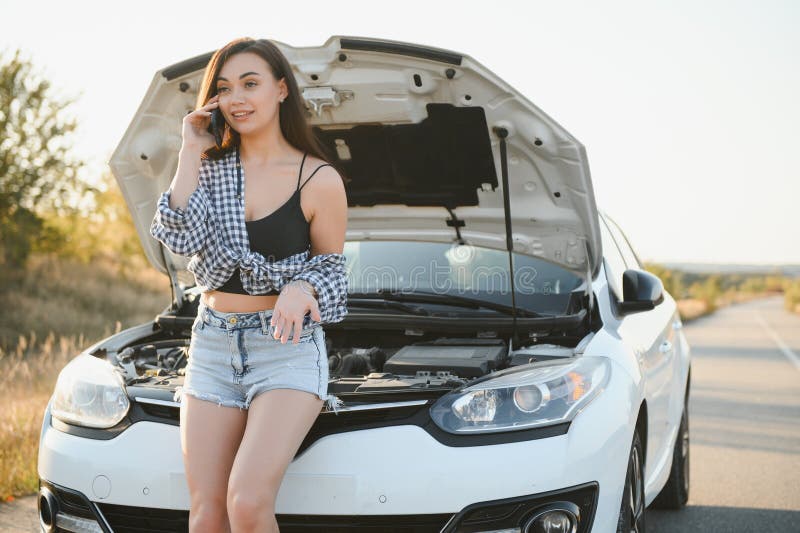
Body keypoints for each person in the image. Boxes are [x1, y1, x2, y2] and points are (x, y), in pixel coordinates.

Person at [149, 37, 348, 533]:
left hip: (285, 348)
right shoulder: (209, 168)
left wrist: (302, 288)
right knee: (207, 515)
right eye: (224, 88)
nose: (236, 98)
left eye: (250, 84)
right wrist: (191, 148)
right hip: (212, 342)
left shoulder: (318, 178)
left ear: (281, 90)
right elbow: (178, 237)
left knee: (247, 502)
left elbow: (332, 269)